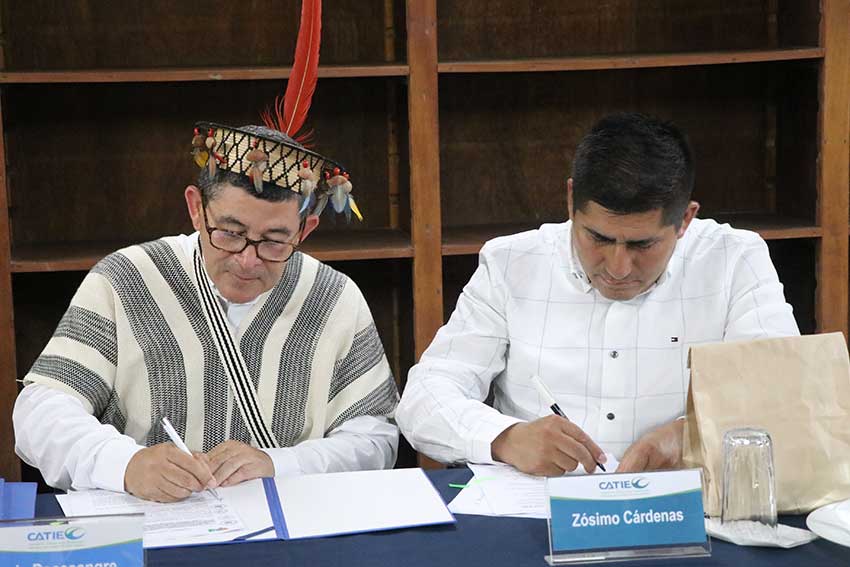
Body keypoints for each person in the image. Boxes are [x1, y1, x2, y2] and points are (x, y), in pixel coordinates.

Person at [13, 0, 398, 502]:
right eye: (231, 233)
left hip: (291, 526)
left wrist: (281, 464)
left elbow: (376, 436)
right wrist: (124, 463)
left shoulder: (333, 296)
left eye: (274, 241)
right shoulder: (127, 278)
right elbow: (39, 411)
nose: (247, 259)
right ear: (196, 209)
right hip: (151, 520)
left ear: (305, 230)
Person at [396, 112, 799, 476]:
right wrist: (505, 438)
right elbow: (423, 398)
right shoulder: (511, 264)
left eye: (642, 245)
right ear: (572, 200)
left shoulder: (734, 260)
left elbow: (785, 394)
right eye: (598, 238)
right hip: (537, 512)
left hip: (686, 509)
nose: (618, 267)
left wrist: (690, 437)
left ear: (685, 220)